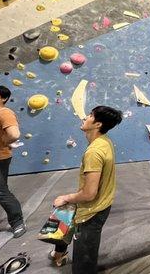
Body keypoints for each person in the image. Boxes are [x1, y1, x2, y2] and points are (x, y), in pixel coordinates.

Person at [50, 106, 122, 272]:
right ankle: (60, 251)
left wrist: (67, 197)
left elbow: (89, 194)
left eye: (90, 115)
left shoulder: (94, 152)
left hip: (92, 211)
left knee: (84, 263)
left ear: (97, 124)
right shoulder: (105, 141)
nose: (85, 117)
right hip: (102, 204)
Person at [0, 86, 25, 238]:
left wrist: (4, 141)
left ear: (3, 99)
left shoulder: (5, 113)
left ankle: (17, 223)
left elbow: (14, 134)